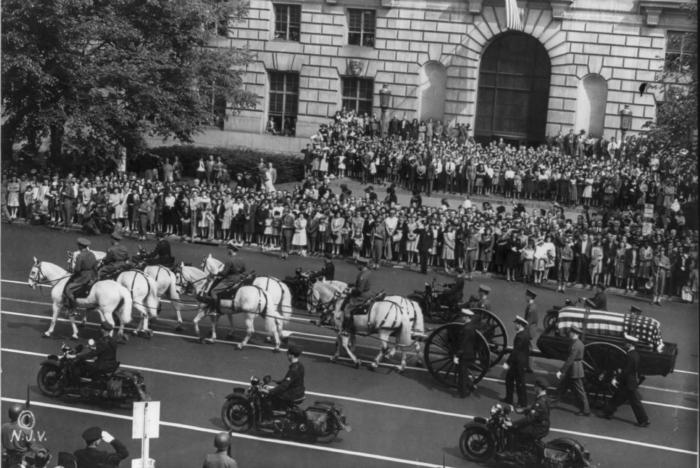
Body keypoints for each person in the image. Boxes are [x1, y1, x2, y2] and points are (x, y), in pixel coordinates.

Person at [602, 333, 650, 427]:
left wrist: (616, 379)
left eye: (627, 342)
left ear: (631, 344)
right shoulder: (635, 354)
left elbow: (626, 371)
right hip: (630, 382)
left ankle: (644, 420)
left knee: (629, 401)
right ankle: (608, 413)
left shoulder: (630, 356)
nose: (625, 343)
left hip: (627, 383)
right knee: (619, 398)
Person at [261, 344, 306, 422]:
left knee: (268, 398)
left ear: (291, 355)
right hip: (299, 391)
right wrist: (275, 381)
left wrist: (269, 391)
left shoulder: (293, 369)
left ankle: (271, 419)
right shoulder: (300, 365)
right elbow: (289, 380)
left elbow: (284, 386)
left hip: (293, 393)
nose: (287, 356)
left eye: (287, 354)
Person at [505, 378, 551, 450]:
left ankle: (511, 452)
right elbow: (533, 410)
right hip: (542, 425)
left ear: (539, 388)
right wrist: (518, 410)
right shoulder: (545, 398)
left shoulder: (540, 402)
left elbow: (530, 418)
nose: (534, 387)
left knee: (514, 429)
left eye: (535, 386)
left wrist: (513, 423)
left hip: (538, 427)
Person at [556, 325, 590, 416]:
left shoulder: (576, 344)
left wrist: (561, 371)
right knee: (562, 385)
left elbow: (570, 359)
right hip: (574, 369)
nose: (569, 334)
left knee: (579, 390)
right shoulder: (577, 343)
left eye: (570, 332)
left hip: (575, 370)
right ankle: (555, 401)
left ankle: (586, 410)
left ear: (574, 333)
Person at [502, 316, 530, 408]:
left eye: (516, 324)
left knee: (519, 383)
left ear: (520, 325)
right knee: (510, 379)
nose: (515, 325)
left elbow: (516, 351)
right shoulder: (524, 334)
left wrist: (507, 362)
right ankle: (510, 399)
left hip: (518, 363)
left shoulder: (520, 336)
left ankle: (522, 403)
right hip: (519, 362)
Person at [63, 238, 98, 310]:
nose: (78, 247)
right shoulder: (92, 254)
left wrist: (73, 272)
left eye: (79, 245)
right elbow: (95, 266)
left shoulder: (80, 256)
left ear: (81, 246)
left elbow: (77, 270)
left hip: (83, 277)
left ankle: (73, 307)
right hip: (92, 275)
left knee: (68, 288)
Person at [453, 309, 477, 397]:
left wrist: (457, 355)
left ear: (467, 317)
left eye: (463, 316)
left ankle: (463, 393)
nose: (462, 317)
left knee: (462, 373)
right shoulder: (471, 326)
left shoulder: (466, 328)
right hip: (470, 353)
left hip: (465, 354)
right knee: (464, 372)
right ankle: (470, 385)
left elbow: (463, 344)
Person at [524, 289, 539, 372]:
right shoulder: (532, 306)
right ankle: (528, 366)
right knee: (527, 348)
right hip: (531, 330)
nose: (525, 297)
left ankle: (529, 367)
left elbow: (528, 322)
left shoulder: (531, 308)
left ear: (529, 296)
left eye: (526, 295)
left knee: (528, 348)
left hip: (529, 330)